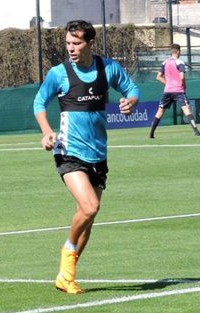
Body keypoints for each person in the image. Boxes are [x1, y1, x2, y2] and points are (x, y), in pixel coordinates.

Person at [33, 20, 140, 294]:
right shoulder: (59, 73)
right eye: (68, 43)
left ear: (90, 44)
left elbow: (131, 89)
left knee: (89, 217)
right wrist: (46, 132)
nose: (71, 48)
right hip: (69, 152)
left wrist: (131, 102)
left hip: (98, 154)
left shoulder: (108, 68)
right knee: (90, 206)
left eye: (77, 43)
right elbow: (39, 103)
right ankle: (67, 253)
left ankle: (66, 276)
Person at [149, 44, 200, 138]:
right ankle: (196, 131)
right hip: (178, 90)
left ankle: (151, 134)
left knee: (160, 111)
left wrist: (168, 84)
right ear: (178, 51)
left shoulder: (165, 62)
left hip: (168, 91)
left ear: (171, 51)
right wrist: (184, 85)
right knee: (186, 109)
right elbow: (182, 77)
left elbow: (158, 77)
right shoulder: (180, 62)